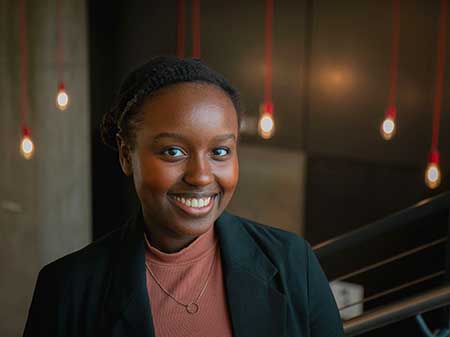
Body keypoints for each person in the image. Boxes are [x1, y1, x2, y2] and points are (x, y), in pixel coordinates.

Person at [23, 56, 343, 337]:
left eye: (220, 151)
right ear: (125, 155)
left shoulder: (292, 261)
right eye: (173, 151)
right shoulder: (67, 289)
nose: (201, 175)